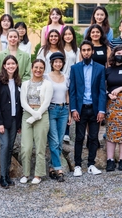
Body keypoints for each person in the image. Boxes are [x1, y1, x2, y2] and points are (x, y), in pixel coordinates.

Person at [69, 41, 106, 177]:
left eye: (88, 50)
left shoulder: (100, 68)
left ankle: (91, 164)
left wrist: (102, 110)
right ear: (81, 52)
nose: (86, 52)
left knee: (93, 137)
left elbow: (102, 91)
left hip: (95, 109)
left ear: (92, 51)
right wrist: (73, 109)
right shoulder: (75, 68)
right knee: (79, 137)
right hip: (81, 108)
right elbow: (72, 91)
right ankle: (77, 165)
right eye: (83, 50)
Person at [19, 59, 53, 185]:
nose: (38, 70)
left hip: (42, 115)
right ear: (32, 68)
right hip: (27, 114)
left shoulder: (47, 84)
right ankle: (25, 173)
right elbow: (23, 102)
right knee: (26, 147)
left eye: (41, 68)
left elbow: (46, 103)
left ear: (44, 70)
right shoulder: (25, 84)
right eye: (36, 67)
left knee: (40, 146)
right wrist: (33, 114)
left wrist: (36, 115)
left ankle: (38, 174)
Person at [0, 55, 23, 189]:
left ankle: (7, 175)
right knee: (4, 146)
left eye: (13, 64)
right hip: (3, 121)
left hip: (14, 120)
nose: (11, 66)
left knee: (10, 147)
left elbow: (20, 104)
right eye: (8, 64)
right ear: (4, 66)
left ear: (16, 66)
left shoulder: (18, 82)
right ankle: (2, 176)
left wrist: (20, 124)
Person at [45, 52, 71, 182]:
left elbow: (67, 95)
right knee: (54, 140)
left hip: (64, 110)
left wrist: (70, 113)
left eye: (60, 62)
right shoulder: (46, 77)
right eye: (55, 62)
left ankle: (51, 168)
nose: (58, 64)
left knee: (59, 141)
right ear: (51, 63)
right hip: (51, 109)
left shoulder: (66, 77)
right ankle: (59, 169)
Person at [61, 26, 79, 143]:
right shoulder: (59, 48)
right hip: (60, 78)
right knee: (61, 103)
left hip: (72, 78)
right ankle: (61, 130)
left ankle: (67, 131)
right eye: (66, 34)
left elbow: (77, 64)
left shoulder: (76, 50)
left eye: (70, 34)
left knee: (69, 103)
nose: (68, 36)